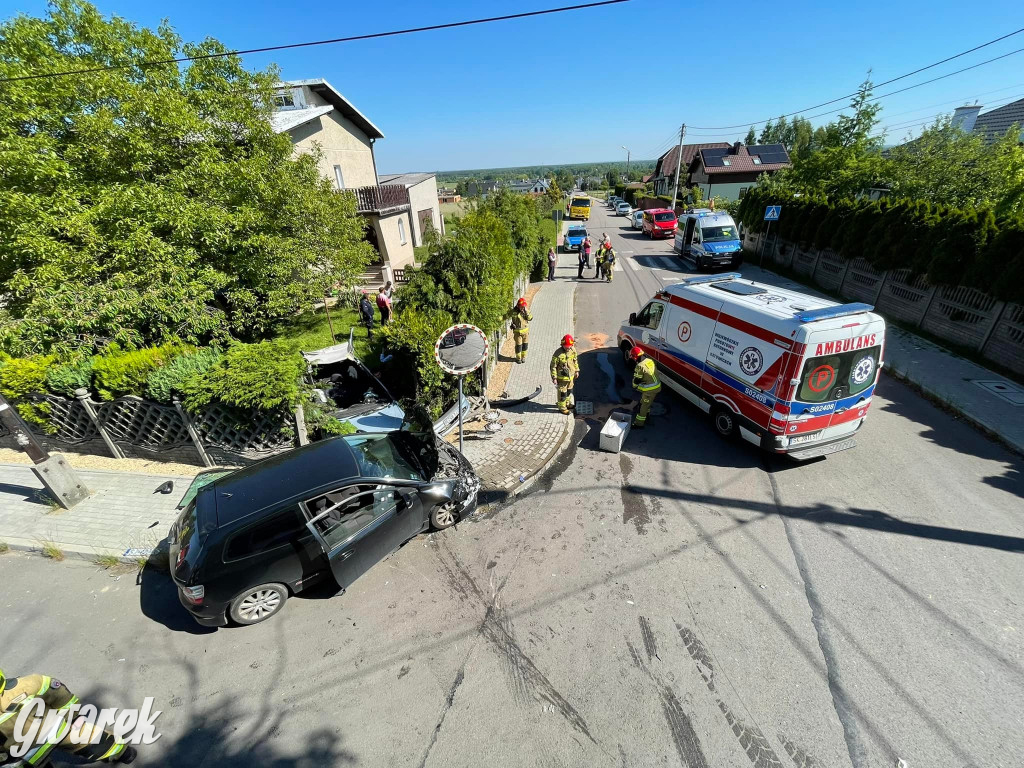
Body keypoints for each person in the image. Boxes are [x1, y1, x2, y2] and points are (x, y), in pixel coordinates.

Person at [0, 667, 137, 765]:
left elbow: (57, 694)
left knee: (90, 739)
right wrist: (73, 715)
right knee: (88, 738)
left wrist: (73, 715)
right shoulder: (28, 684)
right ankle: (123, 753)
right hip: (54, 730)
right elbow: (57, 693)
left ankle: (122, 751)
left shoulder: (27, 686)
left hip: (27, 749)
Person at [629, 346, 661, 427]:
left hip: (650, 390)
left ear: (635, 357)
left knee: (643, 406)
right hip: (656, 386)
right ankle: (647, 416)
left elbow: (637, 380)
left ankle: (639, 424)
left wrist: (634, 386)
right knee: (647, 403)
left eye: (633, 357)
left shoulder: (640, 366)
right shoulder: (649, 360)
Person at [550, 334, 579, 414]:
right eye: (566, 347)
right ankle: (562, 408)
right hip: (562, 379)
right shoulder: (557, 354)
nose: (568, 348)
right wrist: (554, 377)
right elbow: (553, 366)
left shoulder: (573, 350)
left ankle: (567, 403)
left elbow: (575, 361)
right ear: (562, 345)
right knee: (562, 394)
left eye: (569, 346)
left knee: (569, 391)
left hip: (571, 377)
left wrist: (577, 370)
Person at [506, 297, 533, 364]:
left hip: (525, 332)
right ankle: (518, 358)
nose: (522, 308)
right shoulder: (513, 312)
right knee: (519, 346)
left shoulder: (526, 311)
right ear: (518, 306)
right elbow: (506, 316)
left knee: (525, 346)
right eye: (521, 306)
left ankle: (523, 357)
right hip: (517, 333)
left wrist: (526, 313)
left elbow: (530, 318)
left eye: (523, 306)